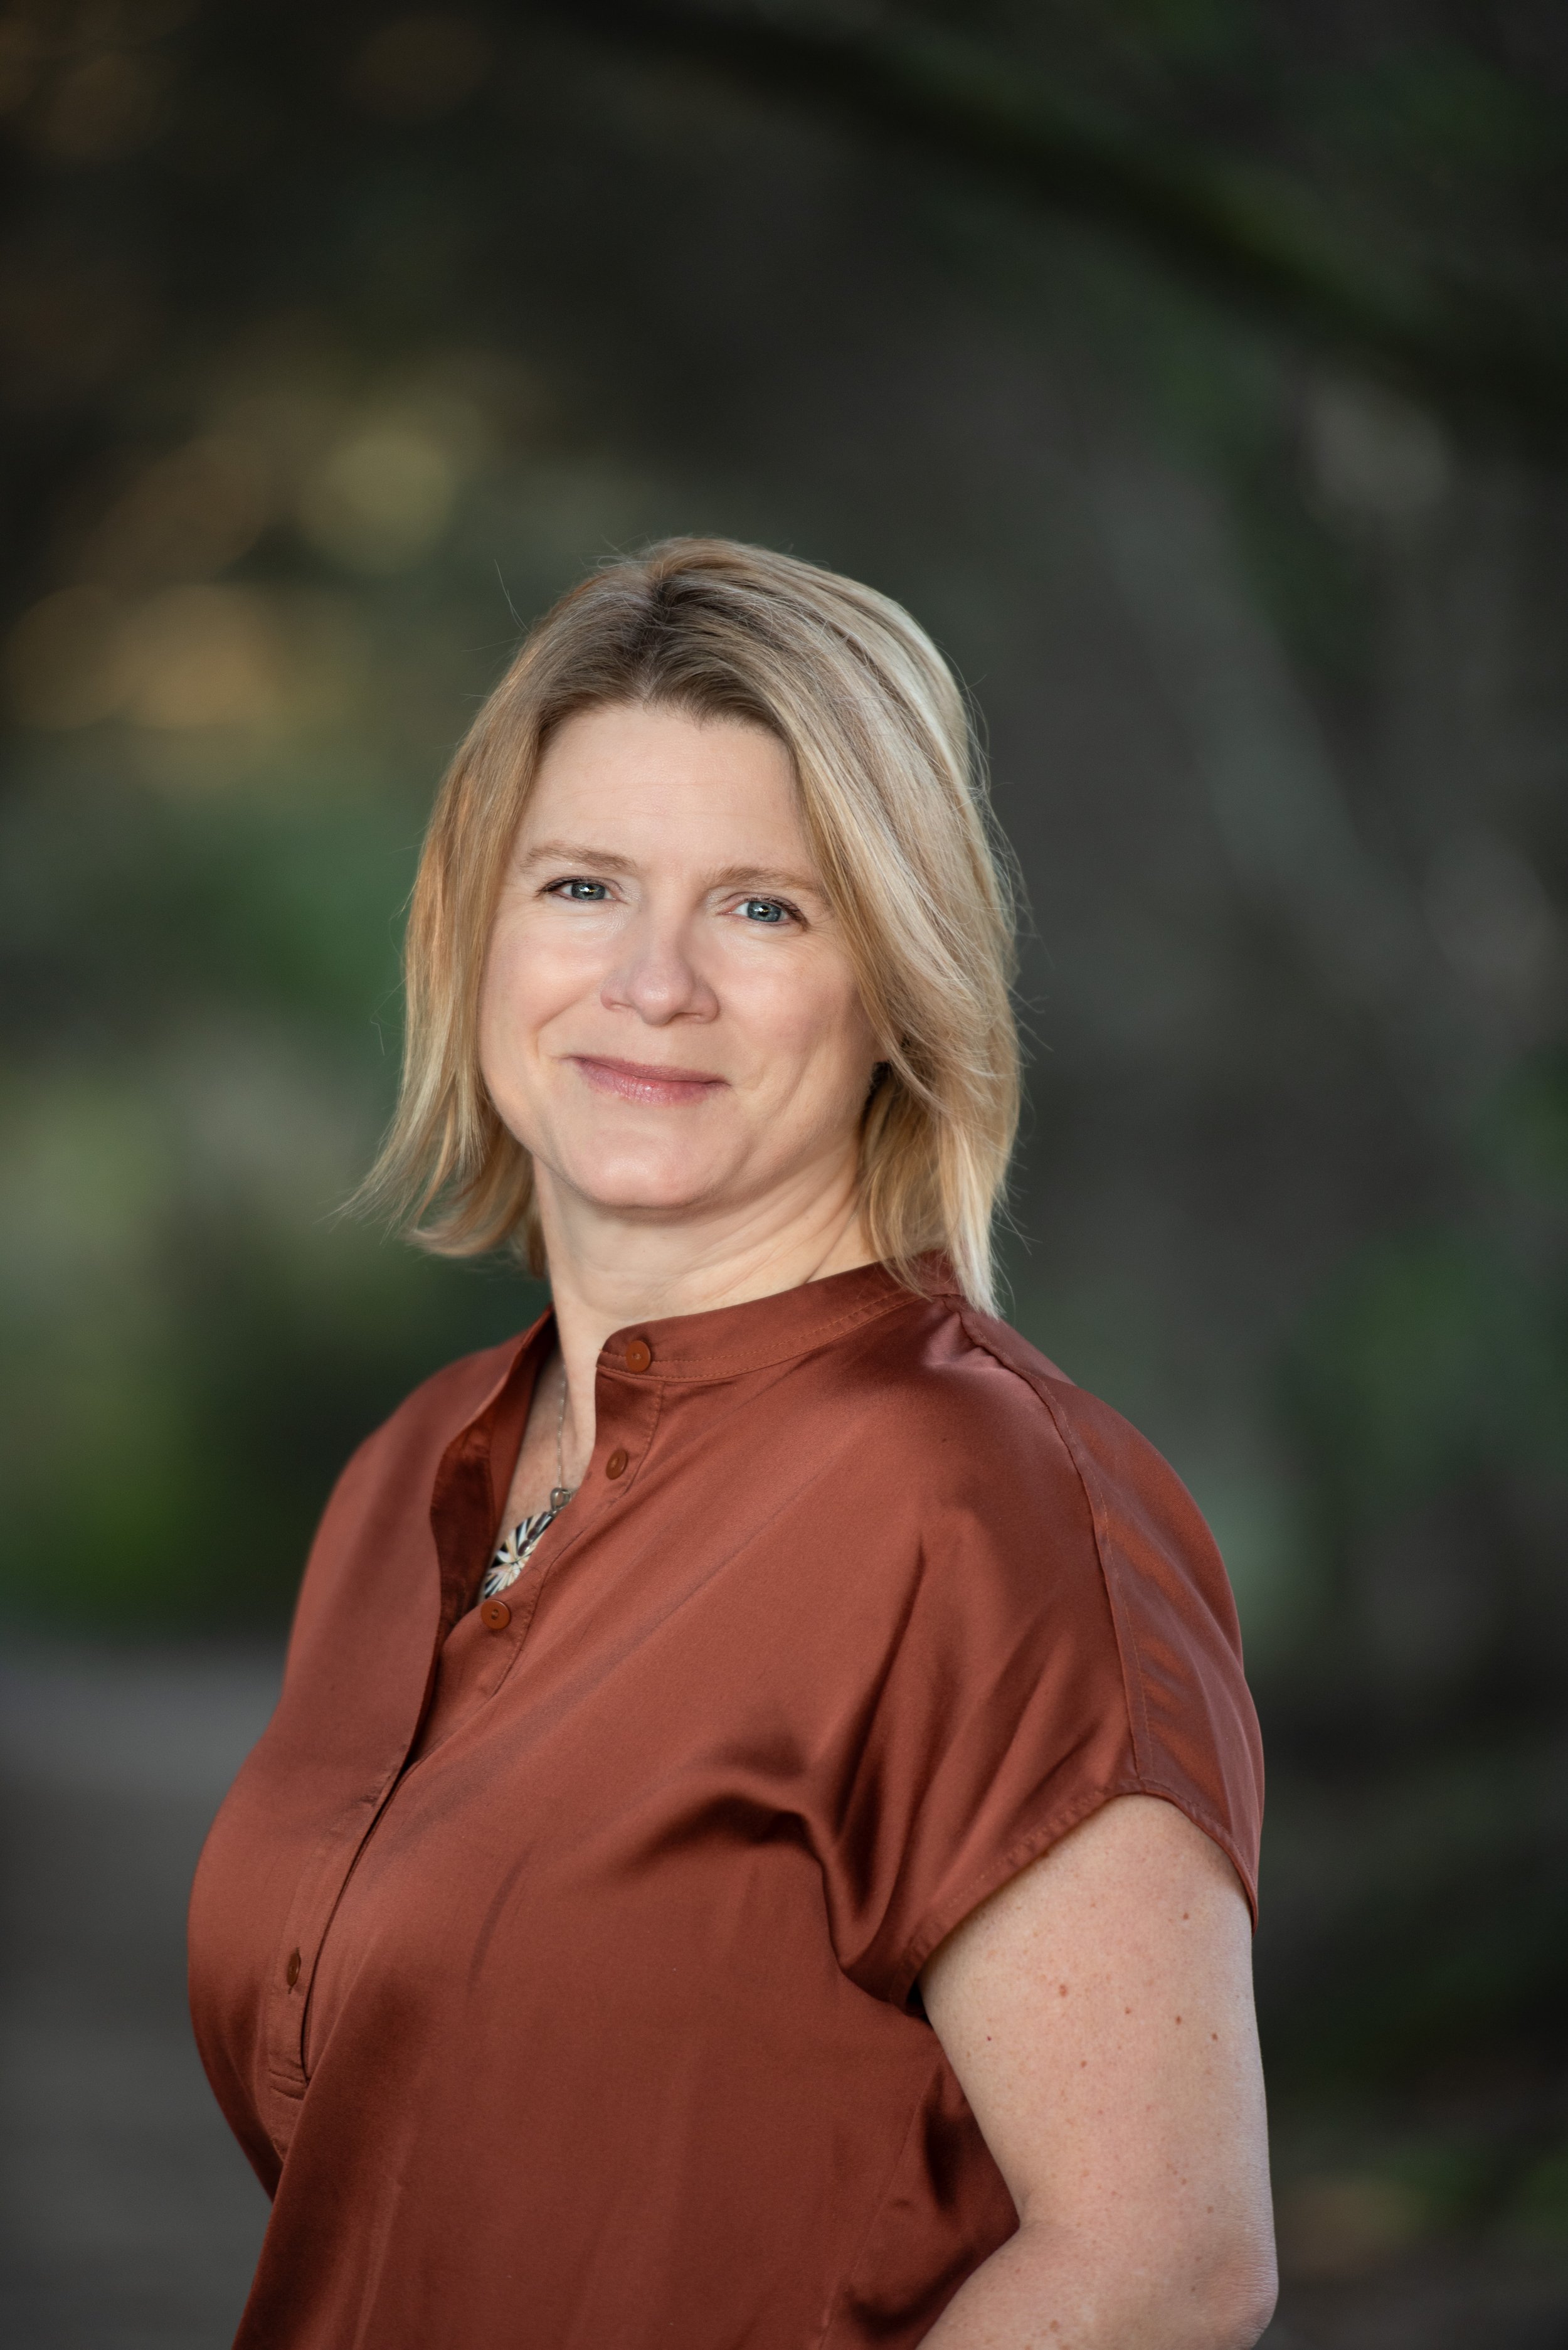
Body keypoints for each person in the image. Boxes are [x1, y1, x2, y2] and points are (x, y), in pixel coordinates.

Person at [188, 538, 1276, 2350]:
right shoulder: (412, 1472)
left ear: (897, 982)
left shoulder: (984, 1505)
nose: (654, 981)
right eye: (583, 885)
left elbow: (1161, 2264)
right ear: (473, 933)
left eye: (765, 909)